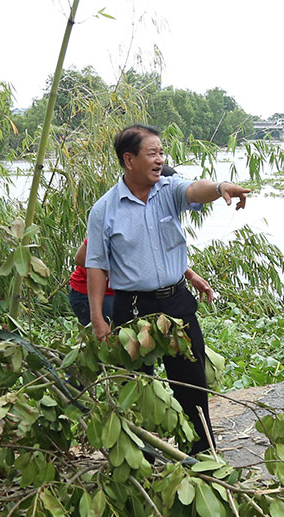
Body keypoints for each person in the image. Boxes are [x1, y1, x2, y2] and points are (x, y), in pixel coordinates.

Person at [85, 124, 248, 454]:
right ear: (129, 160)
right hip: (133, 312)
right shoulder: (104, 210)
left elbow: (195, 190)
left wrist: (219, 187)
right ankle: (143, 459)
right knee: (136, 387)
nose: (160, 159)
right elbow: (96, 267)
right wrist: (99, 320)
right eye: (153, 153)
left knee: (191, 384)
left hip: (176, 302)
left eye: (162, 152)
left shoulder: (169, 190)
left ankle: (202, 457)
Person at [67, 164, 215, 327]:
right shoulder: (119, 213)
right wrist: (126, 275)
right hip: (90, 293)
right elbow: (81, 258)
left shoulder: (156, 213)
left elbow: (154, 257)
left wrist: (191, 275)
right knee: (115, 342)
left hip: (125, 294)